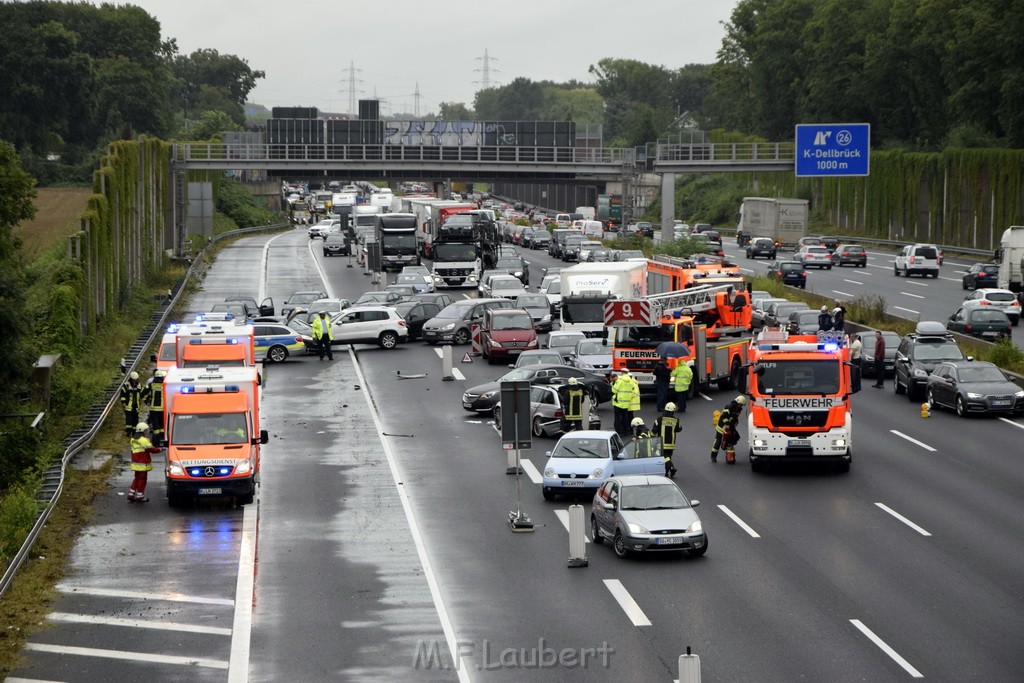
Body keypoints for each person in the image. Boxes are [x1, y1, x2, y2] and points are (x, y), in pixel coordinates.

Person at [128, 422, 161, 503]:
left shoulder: (133, 439)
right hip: (143, 464)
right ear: (143, 431)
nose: (147, 431)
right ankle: (140, 496)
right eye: (146, 430)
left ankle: (131, 494)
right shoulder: (144, 440)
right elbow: (152, 450)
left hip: (136, 464)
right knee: (142, 480)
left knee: (136, 479)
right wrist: (161, 449)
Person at [711, 395, 746, 463]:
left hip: (730, 426)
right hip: (721, 427)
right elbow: (724, 417)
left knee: (733, 439)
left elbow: (735, 417)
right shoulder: (729, 407)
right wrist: (727, 424)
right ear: (738, 403)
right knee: (718, 442)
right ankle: (713, 456)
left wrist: (734, 423)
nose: (741, 406)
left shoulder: (738, 409)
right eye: (741, 405)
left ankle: (730, 455)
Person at [654, 402, 681, 477]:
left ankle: (670, 468)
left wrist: (651, 437)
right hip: (671, 443)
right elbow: (679, 429)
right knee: (668, 457)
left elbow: (654, 430)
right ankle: (668, 471)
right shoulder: (676, 420)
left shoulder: (660, 419)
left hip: (661, 442)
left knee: (664, 457)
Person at [611, 369, 639, 436]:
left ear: (622, 373)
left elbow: (614, 390)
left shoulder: (620, 381)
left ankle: (619, 432)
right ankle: (626, 432)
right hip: (626, 403)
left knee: (618, 418)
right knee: (625, 418)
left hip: (618, 402)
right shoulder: (631, 381)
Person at [142, 369, 166, 446]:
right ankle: (164, 441)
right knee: (162, 426)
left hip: (153, 409)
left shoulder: (151, 385)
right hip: (163, 409)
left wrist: (146, 401)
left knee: (155, 427)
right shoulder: (165, 385)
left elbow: (142, 393)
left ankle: (155, 443)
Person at [120, 371, 143, 437]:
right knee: (129, 419)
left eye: (136, 379)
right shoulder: (126, 385)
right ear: (131, 378)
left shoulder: (139, 385)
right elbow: (122, 394)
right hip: (128, 405)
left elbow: (142, 394)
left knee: (135, 419)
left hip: (136, 406)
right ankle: (128, 432)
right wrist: (123, 402)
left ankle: (134, 432)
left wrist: (147, 401)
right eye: (134, 379)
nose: (135, 380)